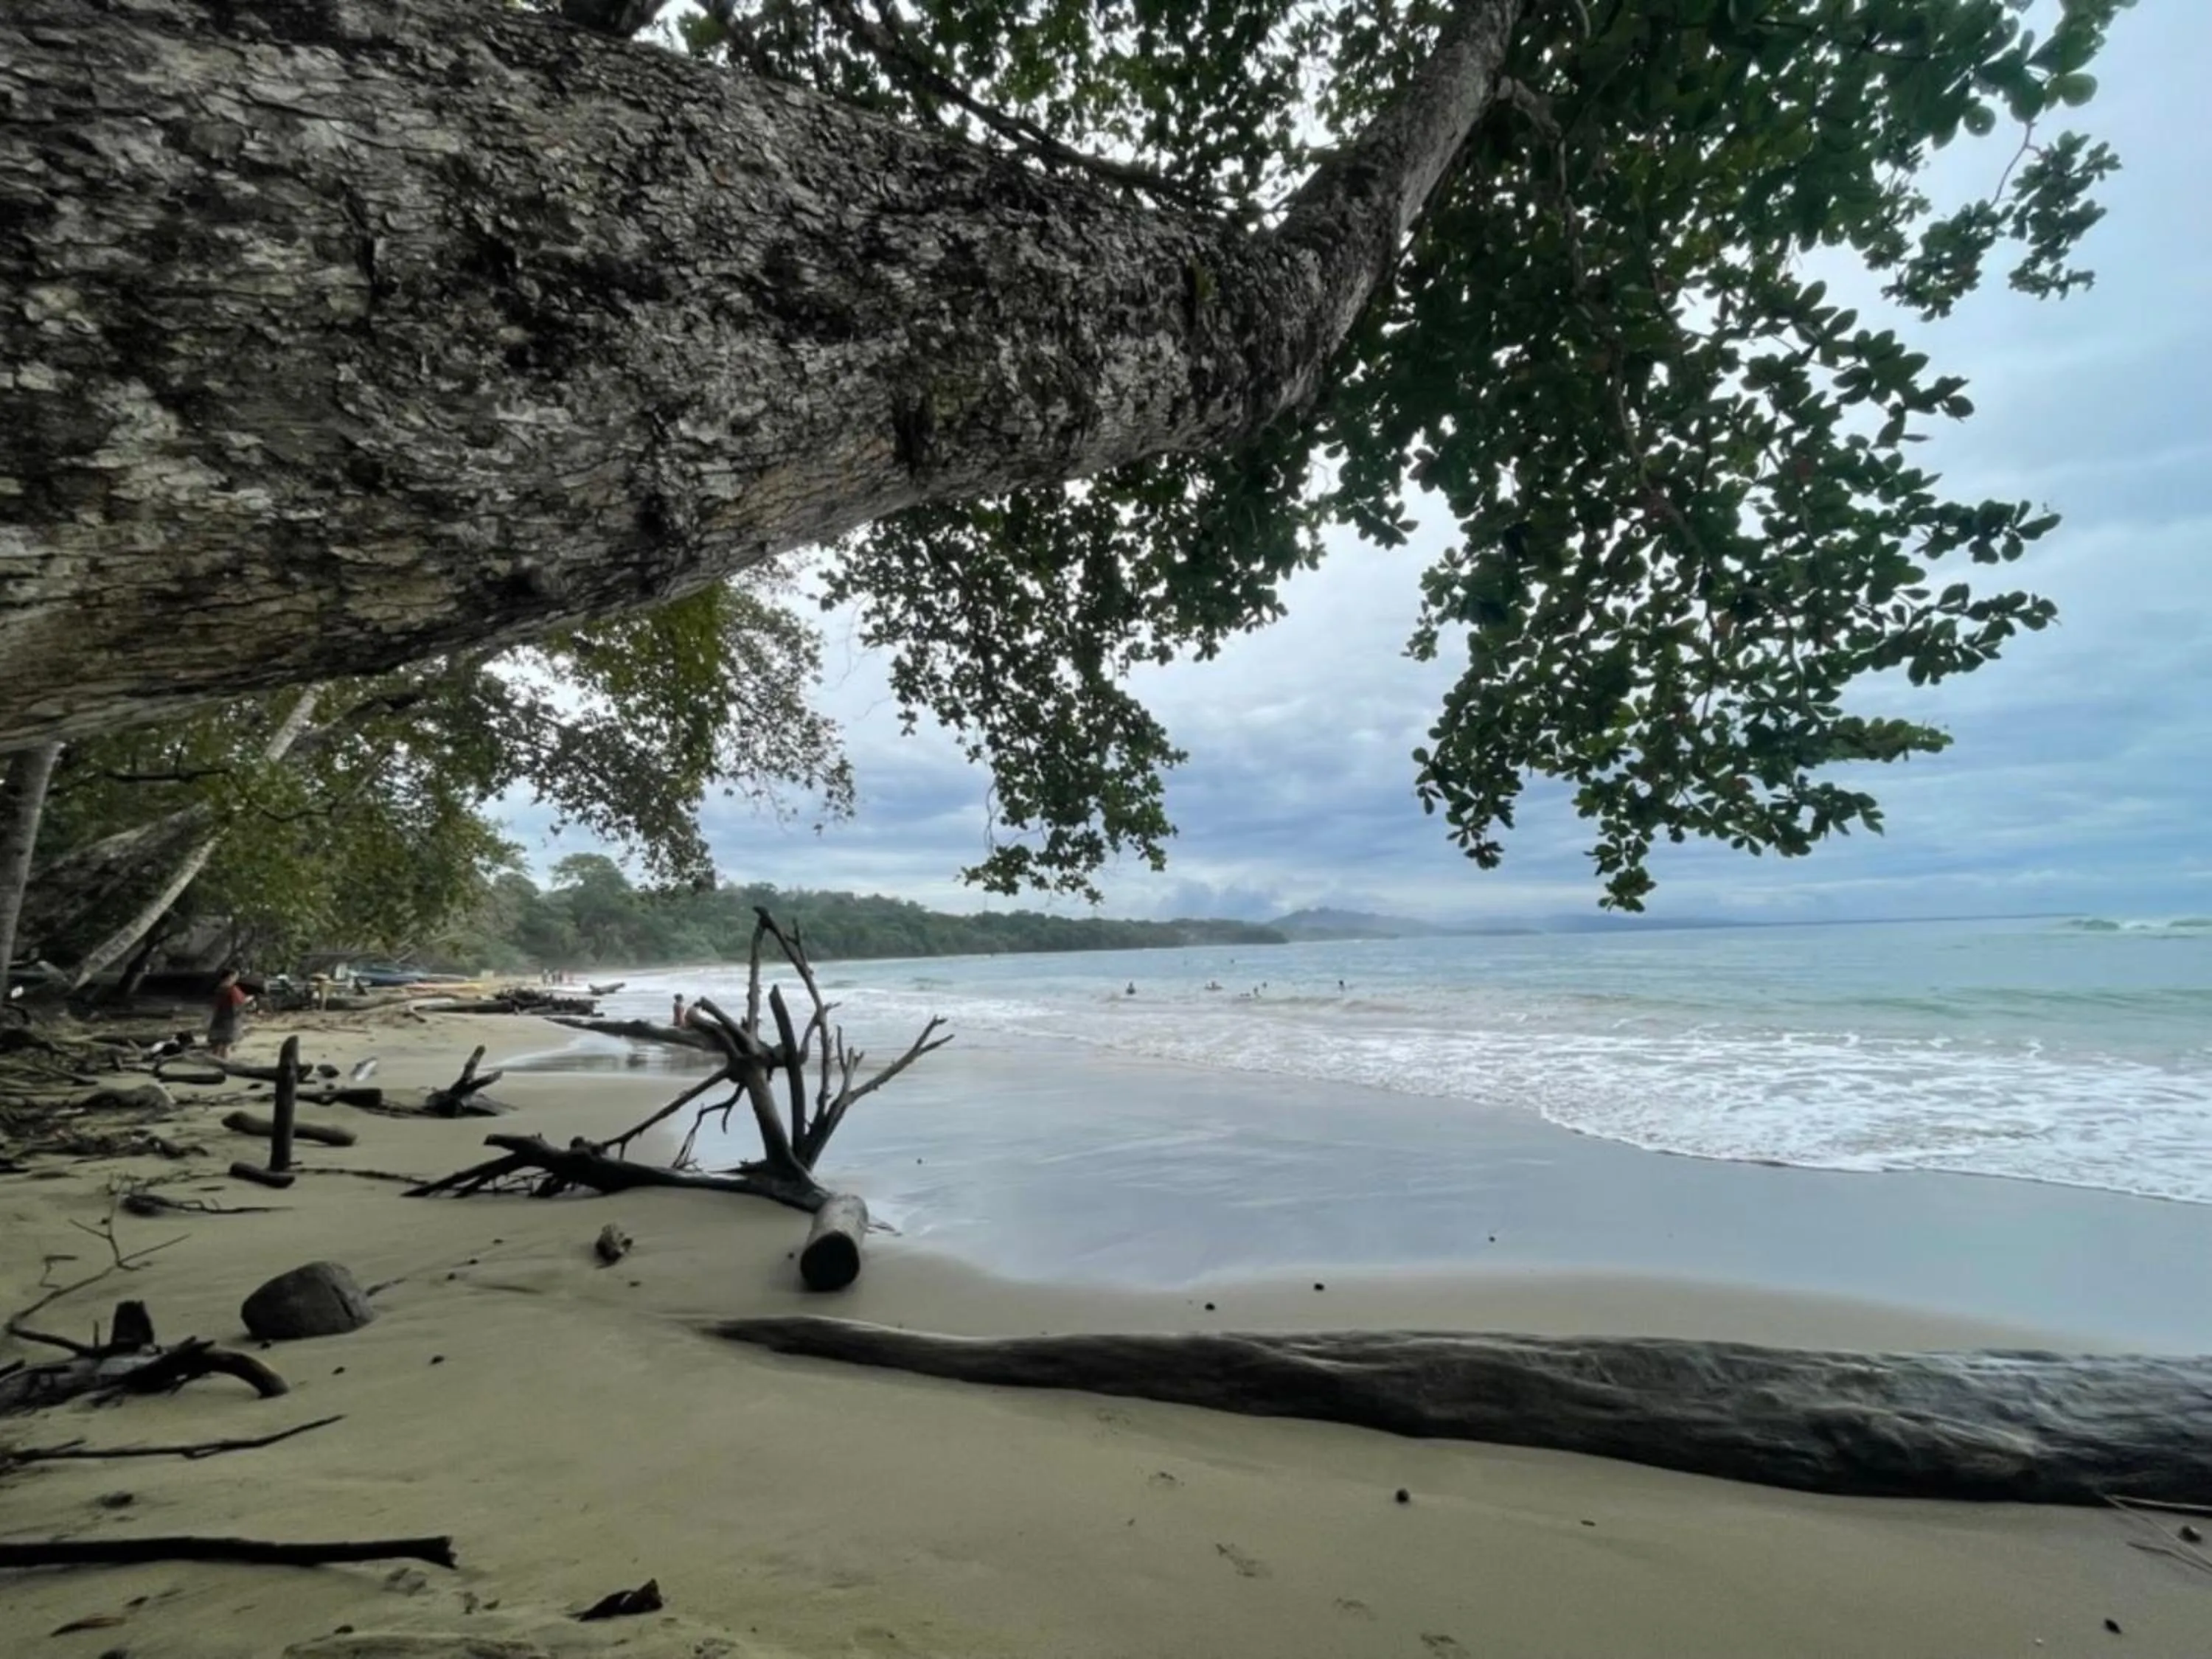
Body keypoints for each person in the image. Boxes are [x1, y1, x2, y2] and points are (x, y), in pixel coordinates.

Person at [208, 967, 250, 1060]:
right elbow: (240, 1002)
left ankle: (212, 1063)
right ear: (230, 976)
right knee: (226, 1045)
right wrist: (250, 999)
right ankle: (225, 1065)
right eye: (235, 976)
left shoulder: (218, 988)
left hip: (219, 1018)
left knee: (217, 1045)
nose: (236, 978)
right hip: (230, 1020)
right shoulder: (232, 989)